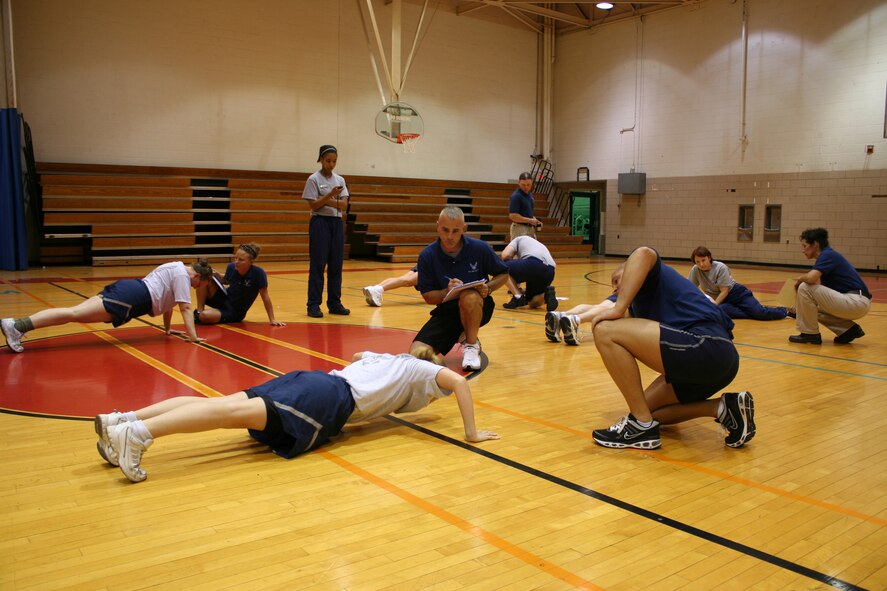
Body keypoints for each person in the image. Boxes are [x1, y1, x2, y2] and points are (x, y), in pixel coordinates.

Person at [93, 351, 500, 482]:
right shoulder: (425, 372)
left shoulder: (398, 359)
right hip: (329, 399)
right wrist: (473, 432)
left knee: (221, 404)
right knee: (228, 412)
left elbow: (357, 355)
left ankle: (122, 421)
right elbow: (459, 385)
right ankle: (140, 434)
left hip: (319, 382)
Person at [545, 247, 753, 450]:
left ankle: (642, 428)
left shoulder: (650, 270)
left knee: (604, 329)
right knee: (645, 411)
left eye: (617, 280)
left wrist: (619, 307)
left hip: (706, 344)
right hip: (717, 360)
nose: (615, 289)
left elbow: (644, 253)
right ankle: (724, 408)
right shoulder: (641, 305)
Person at [1, 260, 213, 353]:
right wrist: (193, 337)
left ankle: (19, 325)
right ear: (197, 275)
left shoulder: (176, 266)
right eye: (199, 284)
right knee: (73, 314)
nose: (196, 288)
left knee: (74, 311)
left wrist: (167, 329)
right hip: (134, 297)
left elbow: (170, 304)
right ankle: (17, 325)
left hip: (129, 288)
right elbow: (185, 308)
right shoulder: (184, 277)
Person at [410, 206, 509, 371]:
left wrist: (488, 288)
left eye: (455, 231)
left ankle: (470, 345)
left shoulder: (480, 248)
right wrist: (445, 292)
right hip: (447, 312)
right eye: (445, 230)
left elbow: (503, 274)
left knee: (468, 296)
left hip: (478, 306)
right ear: (437, 226)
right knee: (416, 355)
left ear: (464, 229)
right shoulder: (427, 256)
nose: (449, 236)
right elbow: (428, 296)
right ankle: (462, 335)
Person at [789, 227, 871, 345]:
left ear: (815, 244)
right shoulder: (828, 256)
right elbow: (815, 292)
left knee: (804, 286)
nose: (803, 250)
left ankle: (810, 334)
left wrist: (799, 280)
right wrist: (798, 308)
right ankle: (848, 330)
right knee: (810, 308)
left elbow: (811, 279)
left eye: (805, 246)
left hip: (855, 301)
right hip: (856, 302)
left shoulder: (828, 255)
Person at [303, 144, 350, 318]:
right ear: (321, 160)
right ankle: (313, 304)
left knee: (336, 265)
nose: (331, 164)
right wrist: (331, 196)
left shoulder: (340, 180)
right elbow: (313, 205)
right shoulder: (313, 179)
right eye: (328, 160)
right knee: (318, 265)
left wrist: (324, 199)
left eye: (334, 161)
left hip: (337, 223)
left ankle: (335, 303)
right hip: (320, 222)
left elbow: (344, 205)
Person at [688, 246, 792, 321]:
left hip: (737, 293)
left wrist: (713, 306)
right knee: (722, 310)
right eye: (697, 262)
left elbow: (724, 291)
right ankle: (751, 313)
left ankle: (785, 311)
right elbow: (689, 288)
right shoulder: (695, 270)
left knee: (759, 313)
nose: (701, 264)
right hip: (721, 300)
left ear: (709, 258)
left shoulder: (720, 268)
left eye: (703, 260)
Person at [194, 243, 285, 326]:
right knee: (205, 277)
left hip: (234, 311)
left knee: (204, 316)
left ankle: (203, 315)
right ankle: (199, 310)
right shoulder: (232, 267)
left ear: (251, 261)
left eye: (241, 260)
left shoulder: (258, 273)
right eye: (235, 258)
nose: (236, 261)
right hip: (224, 298)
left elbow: (265, 296)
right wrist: (215, 274)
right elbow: (226, 280)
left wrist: (272, 319)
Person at [499, 235, 558, 311]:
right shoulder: (537, 244)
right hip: (550, 270)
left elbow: (505, 255)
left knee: (502, 268)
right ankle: (547, 295)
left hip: (534, 263)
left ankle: (518, 297)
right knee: (533, 302)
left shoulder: (517, 240)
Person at [508, 172, 543, 240]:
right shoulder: (516, 196)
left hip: (529, 228)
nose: (526, 187)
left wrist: (535, 221)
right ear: (519, 183)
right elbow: (512, 216)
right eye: (523, 185)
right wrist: (530, 220)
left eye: (528, 185)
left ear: (532, 183)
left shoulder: (529, 195)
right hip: (519, 228)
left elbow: (527, 213)